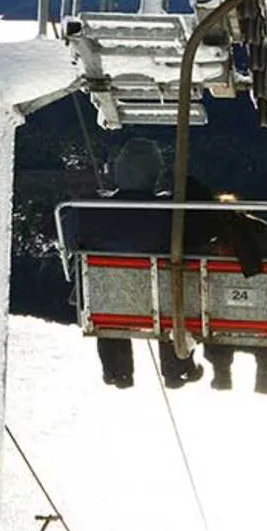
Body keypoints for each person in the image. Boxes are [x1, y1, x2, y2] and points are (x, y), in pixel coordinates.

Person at [94, 137, 205, 389]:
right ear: (154, 173)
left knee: (106, 299)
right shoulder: (170, 212)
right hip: (162, 296)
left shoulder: (92, 208)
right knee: (169, 298)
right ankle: (176, 367)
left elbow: (72, 240)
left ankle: (117, 371)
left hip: (108, 298)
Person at [186, 182, 267, 395]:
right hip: (263, 312)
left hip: (219, 314)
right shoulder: (262, 230)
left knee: (214, 321)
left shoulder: (209, 240)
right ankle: (265, 378)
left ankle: (222, 375)